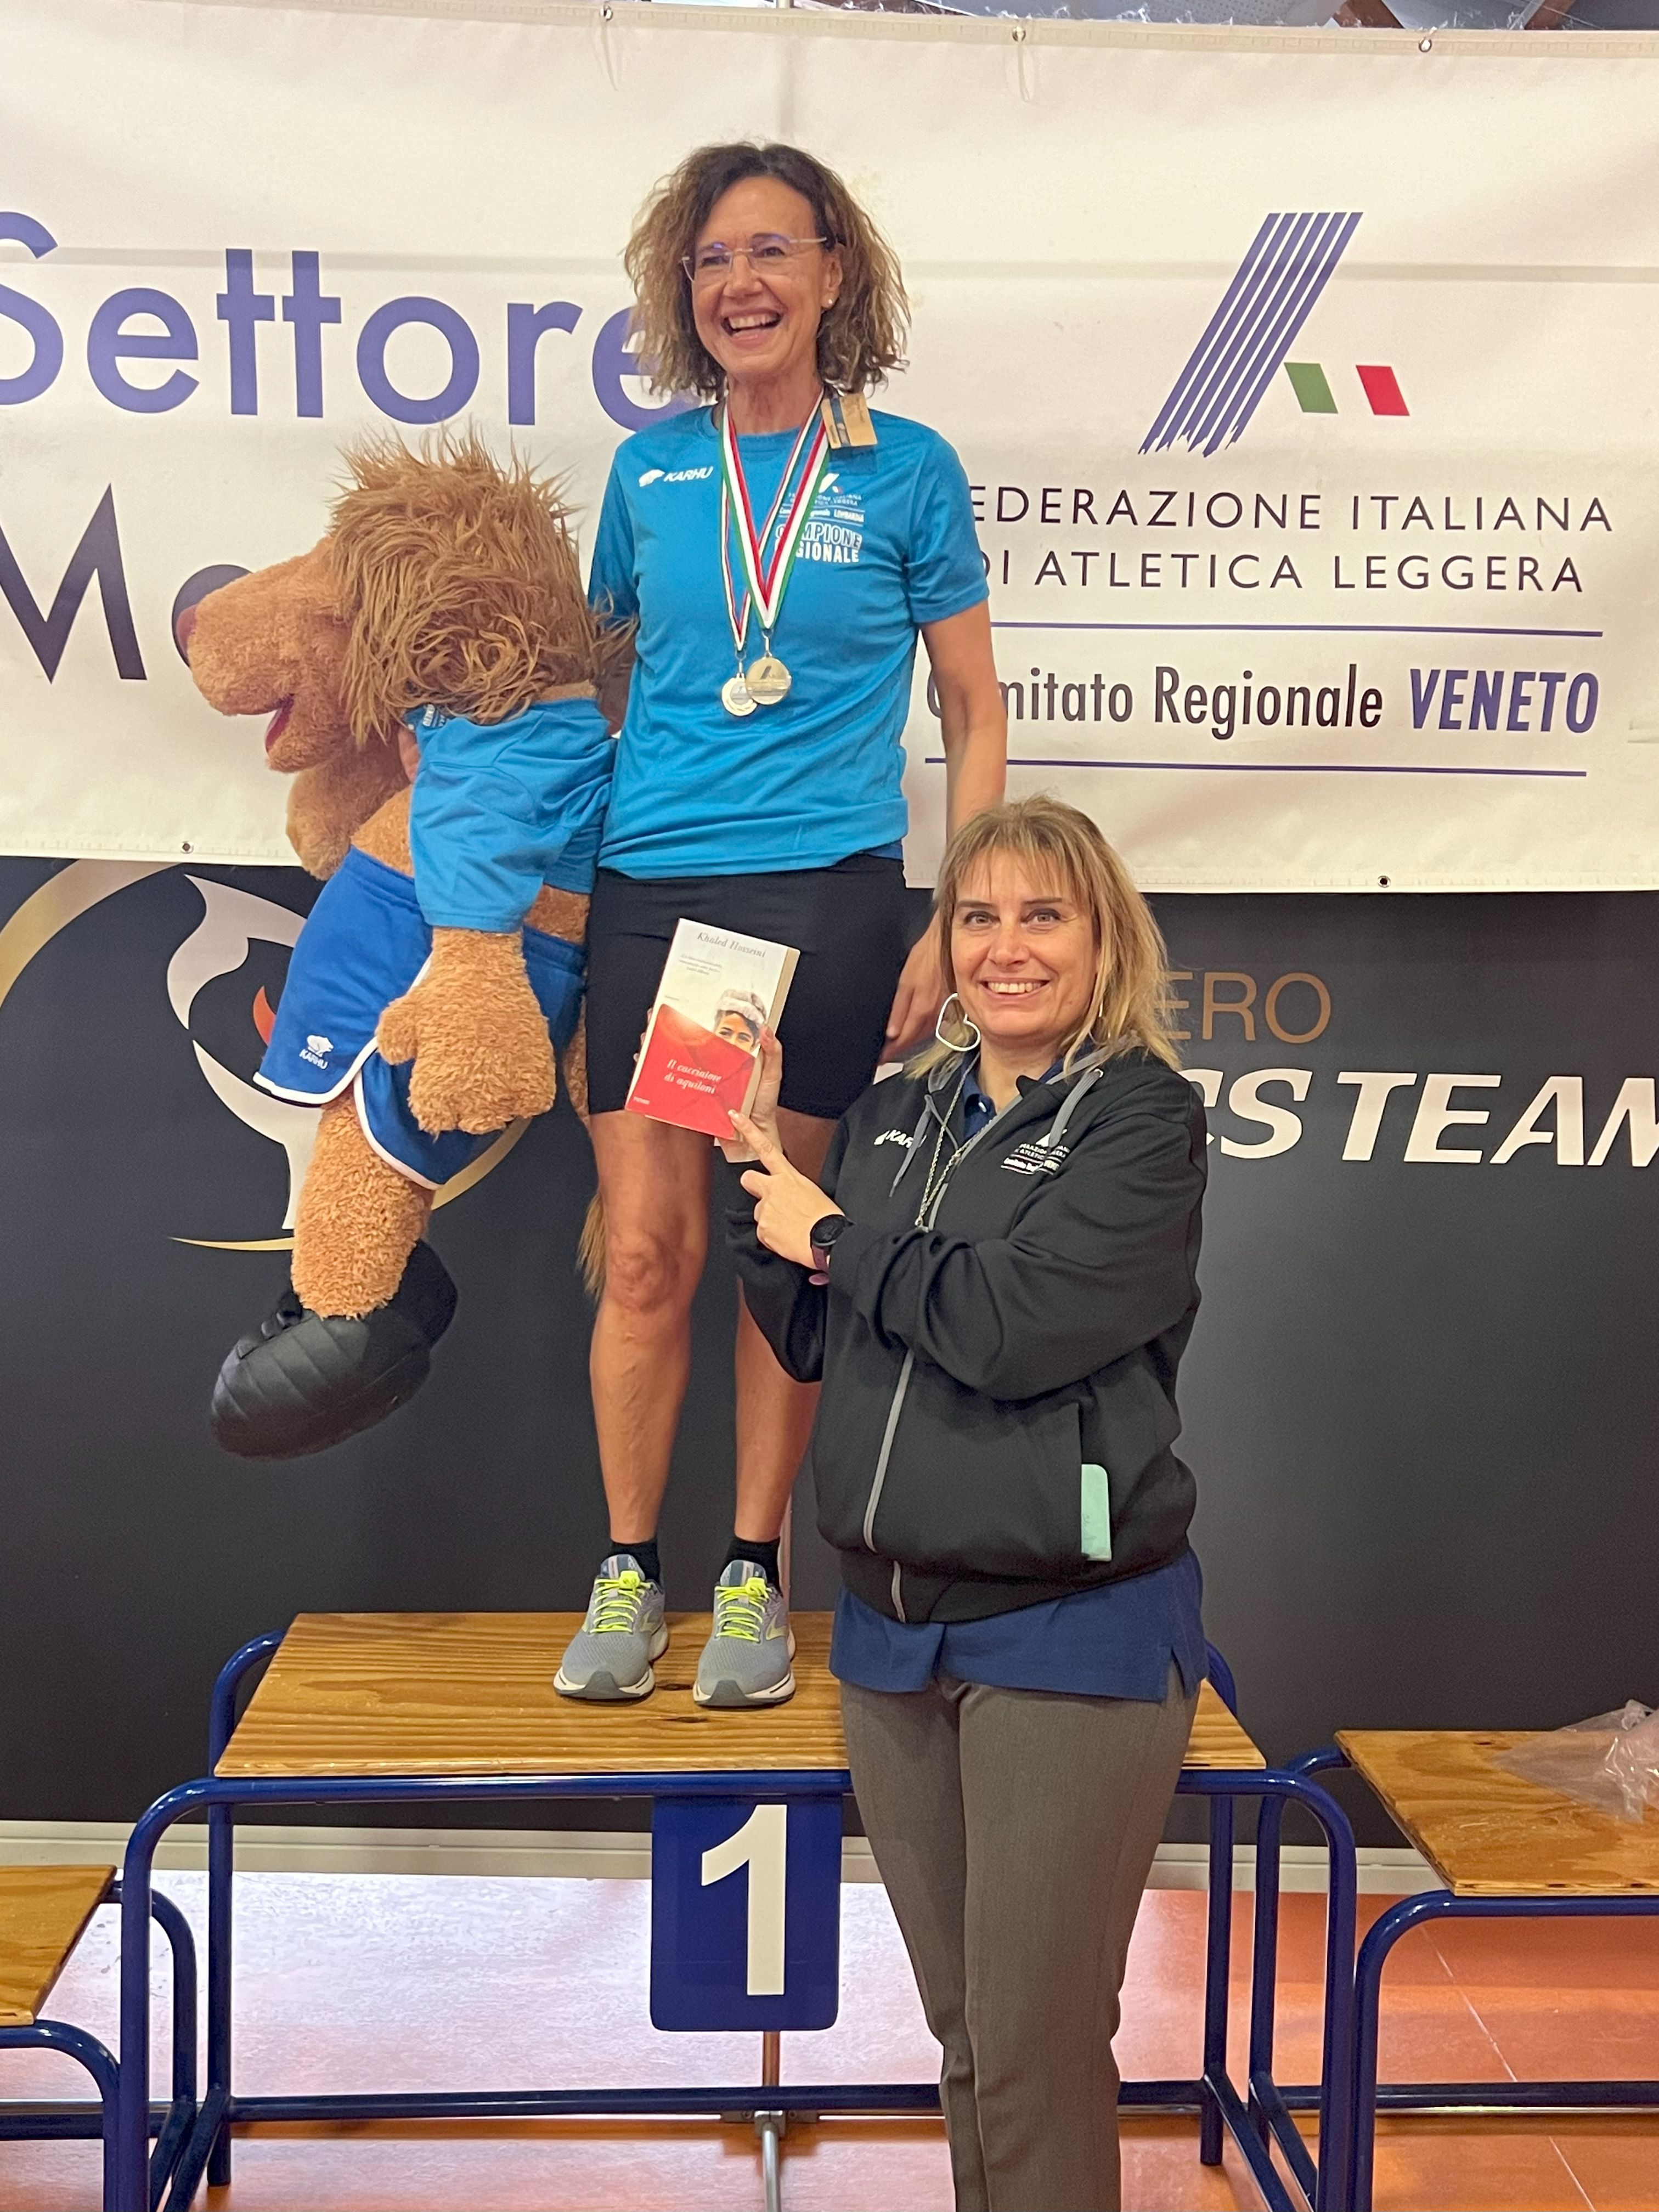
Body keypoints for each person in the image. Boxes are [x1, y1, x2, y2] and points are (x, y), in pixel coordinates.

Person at [556, 141, 1006, 1708]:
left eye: (770, 252)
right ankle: (629, 1569)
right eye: (711, 260)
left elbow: (971, 706)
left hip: (825, 895)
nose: (739, 284)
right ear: (682, 291)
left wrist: (952, 916)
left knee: (779, 1249)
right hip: (656, 892)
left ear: (833, 272)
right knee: (645, 1253)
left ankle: (752, 1573)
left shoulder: (908, 471)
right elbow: (604, 675)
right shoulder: (650, 476)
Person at [727, 796, 1208, 2212]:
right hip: (888, 1637)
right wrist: (754, 1169)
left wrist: (830, 1234)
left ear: (1103, 939)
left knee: (1036, 2046)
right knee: (969, 2038)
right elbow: (815, 1333)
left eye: (1043, 916)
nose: (1007, 948)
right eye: (978, 916)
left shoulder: (1142, 1117)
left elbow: (1015, 1325)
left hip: (1070, 1634)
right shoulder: (894, 1115)